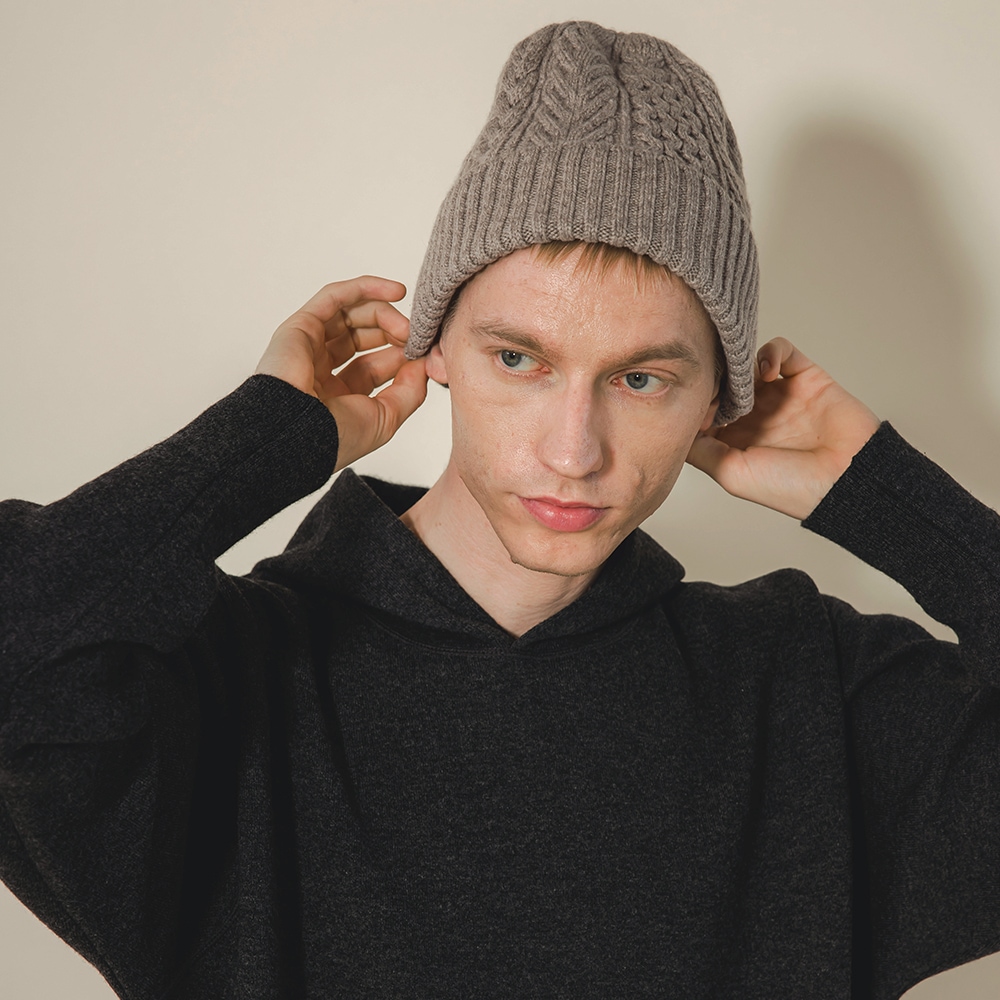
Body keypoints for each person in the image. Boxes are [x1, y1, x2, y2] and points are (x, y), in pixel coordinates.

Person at [0, 19, 997, 1000]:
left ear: (716, 404)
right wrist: (262, 440)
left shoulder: (813, 696)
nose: (574, 451)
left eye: (642, 379)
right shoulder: (217, 681)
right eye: (519, 359)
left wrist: (885, 495)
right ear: (432, 349)